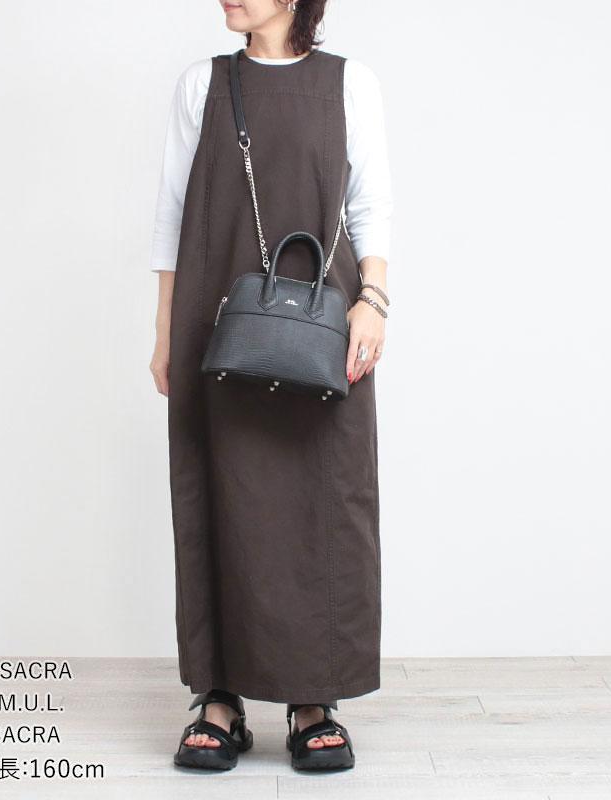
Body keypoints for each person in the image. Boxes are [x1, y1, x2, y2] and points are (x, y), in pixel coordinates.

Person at [149, 0, 392, 772]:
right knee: (219, 497)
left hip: (323, 324)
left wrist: (374, 300)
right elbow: (172, 215)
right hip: (215, 319)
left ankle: (313, 698)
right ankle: (218, 698)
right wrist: (165, 332)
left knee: (324, 499)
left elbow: (370, 203)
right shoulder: (202, 85)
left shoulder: (350, 84)